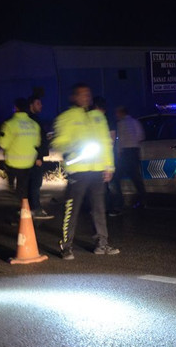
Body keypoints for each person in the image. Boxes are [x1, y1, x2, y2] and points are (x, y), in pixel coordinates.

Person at [51, 83, 120, 260]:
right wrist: (74, 144)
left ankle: (102, 244)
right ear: (74, 97)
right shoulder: (66, 117)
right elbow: (58, 142)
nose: (86, 97)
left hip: (97, 170)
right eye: (82, 94)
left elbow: (106, 143)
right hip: (77, 171)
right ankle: (66, 246)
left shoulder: (98, 117)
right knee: (72, 210)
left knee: (99, 208)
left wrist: (109, 166)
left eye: (88, 94)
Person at [0, 98, 41, 214]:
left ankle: (14, 209)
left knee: (13, 189)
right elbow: (37, 143)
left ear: (16, 108)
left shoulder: (9, 124)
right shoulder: (34, 125)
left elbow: (2, 143)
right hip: (28, 164)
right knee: (23, 189)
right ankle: (23, 210)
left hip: (12, 163)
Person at [110, 106, 148, 213]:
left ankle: (119, 203)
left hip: (125, 153)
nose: (116, 115)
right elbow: (141, 136)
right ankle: (144, 200)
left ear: (121, 113)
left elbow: (119, 141)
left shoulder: (120, 124)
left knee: (117, 178)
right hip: (134, 152)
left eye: (117, 113)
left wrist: (118, 153)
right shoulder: (135, 122)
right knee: (136, 177)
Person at [27, 95, 54, 220]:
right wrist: (38, 156)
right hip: (35, 158)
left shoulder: (31, 119)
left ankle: (28, 208)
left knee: (30, 184)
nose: (41, 106)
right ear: (31, 105)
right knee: (35, 184)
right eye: (38, 103)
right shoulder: (33, 120)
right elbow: (34, 140)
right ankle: (36, 209)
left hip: (29, 158)